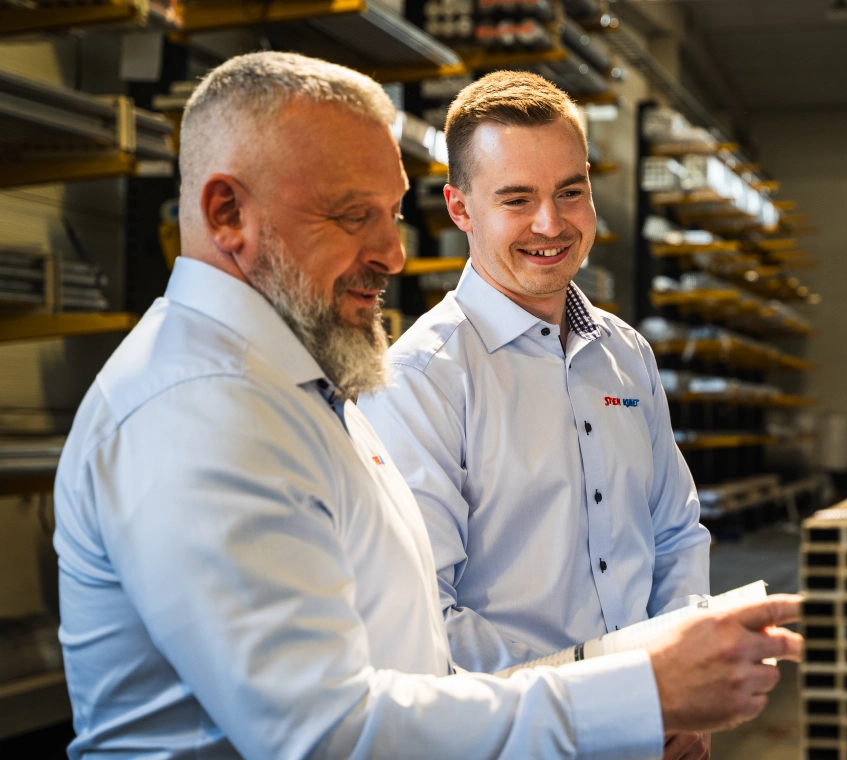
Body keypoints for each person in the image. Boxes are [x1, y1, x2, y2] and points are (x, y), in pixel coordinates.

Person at [52, 51, 802, 759]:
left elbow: (390, 653)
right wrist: (636, 694)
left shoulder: (294, 388)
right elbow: (326, 733)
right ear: (226, 214)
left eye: (392, 213)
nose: (394, 253)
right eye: (353, 215)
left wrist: (664, 681)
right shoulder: (200, 412)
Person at [357, 72, 713, 759]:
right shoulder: (421, 381)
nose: (551, 224)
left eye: (570, 192)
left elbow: (674, 536)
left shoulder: (626, 355)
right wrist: (609, 705)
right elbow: (424, 618)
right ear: (460, 208)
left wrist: (682, 689)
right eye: (517, 199)